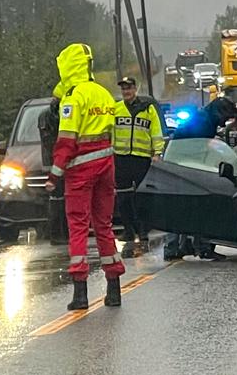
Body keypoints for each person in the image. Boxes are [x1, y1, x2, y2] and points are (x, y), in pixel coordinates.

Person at [45, 44, 125, 311]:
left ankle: (80, 294)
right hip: (107, 164)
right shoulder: (103, 93)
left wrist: (54, 176)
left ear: (67, 67)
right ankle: (114, 289)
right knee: (104, 225)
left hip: (80, 170)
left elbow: (66, 141)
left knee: (78, 227)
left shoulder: (73, 98)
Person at [162, 97, 237, 261]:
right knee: (199, 206)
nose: (224, 123)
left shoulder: (203, 118)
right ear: (220, 112)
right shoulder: (204, 123)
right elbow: (200, 147)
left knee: (180, 207)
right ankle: (199, 247)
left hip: (180, 166)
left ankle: (177, 247)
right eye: (226, 117)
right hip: (188, 167)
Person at [112, 76, 165, 258]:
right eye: (123, 89)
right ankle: (128, 230)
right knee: (123, 197)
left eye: (129, 88)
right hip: (121, 158)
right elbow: (109, 132)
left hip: (142, 158)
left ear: (135, 88)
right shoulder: (116, 109)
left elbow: (156, 133)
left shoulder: (147, 109)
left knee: (142, 196)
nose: (126, 91)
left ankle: (142, 230)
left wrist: (157, 153)